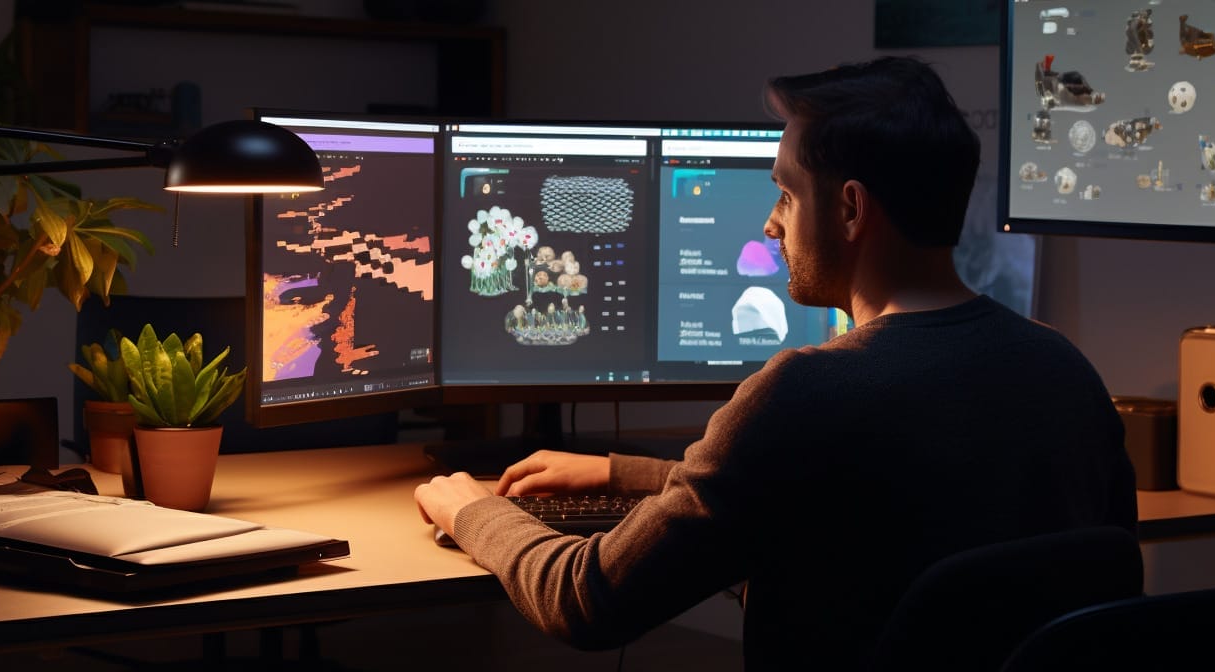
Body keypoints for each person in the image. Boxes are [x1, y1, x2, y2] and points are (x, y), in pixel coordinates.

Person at [414, 56, 1136, 670]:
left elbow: (590, 600)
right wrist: (620, 474)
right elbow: (841, 496)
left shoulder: (804, 392)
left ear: (851, 210)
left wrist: (475, 513)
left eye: (786, 194)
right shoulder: (1065, 372)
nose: (771, 223)